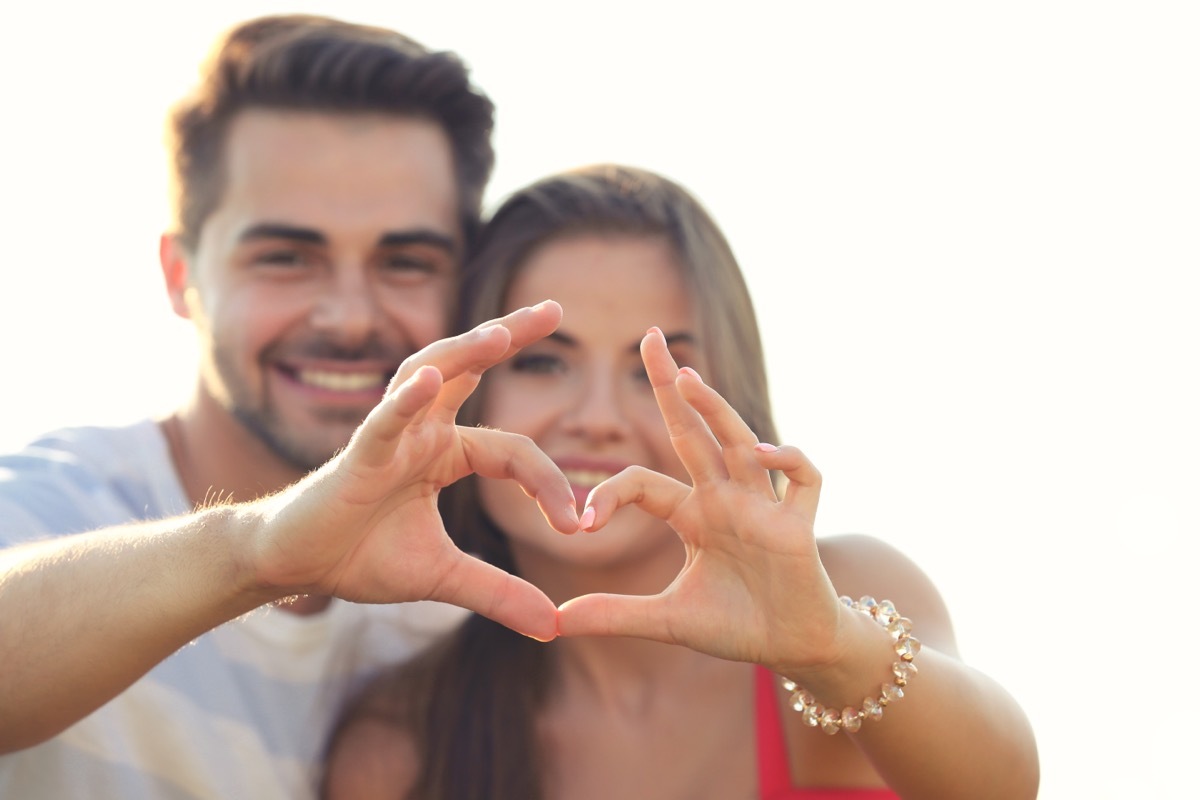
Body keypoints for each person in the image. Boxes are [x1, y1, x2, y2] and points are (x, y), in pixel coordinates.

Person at [322, 165, 1040, 799]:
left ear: (730, 395)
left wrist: (830, 648)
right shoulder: (400, 750)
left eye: (653, 373)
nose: (597, 420)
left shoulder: (850, 591)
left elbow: (1004, 786)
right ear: (469, 392)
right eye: (543, 363)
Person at [0, 14, 581, 798]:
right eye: (285, 257)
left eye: (405, 261)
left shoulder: (477, 610)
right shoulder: (52, 511)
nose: (348, 317)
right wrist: (254, 552)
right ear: (180, 275)